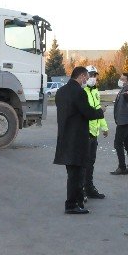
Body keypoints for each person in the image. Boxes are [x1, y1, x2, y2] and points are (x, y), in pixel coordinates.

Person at [54, 66, 105, 213]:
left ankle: (77, 202)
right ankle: (72, 204)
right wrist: (101, 111)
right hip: (77, 139)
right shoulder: (79, 92)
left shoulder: (61, 92)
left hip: (65, 136)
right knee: (77, 174)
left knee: (72, 174)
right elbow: (88, 113)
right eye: (86, 78)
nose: (87, 81)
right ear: (82, 76)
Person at [83, 65, 108, 199]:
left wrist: (104, 127)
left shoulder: (95, 91)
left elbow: (98, 109)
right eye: (90, 75)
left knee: (91, 162)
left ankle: (89, 188)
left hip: (94, 133)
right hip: (85, 132)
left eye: (94, 75)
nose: (93, 78)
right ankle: (82, 190)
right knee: (84, 163)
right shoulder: (83, 91)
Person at [111, 72, 128, 175]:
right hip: (126, 120)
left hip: (125, 121)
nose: (120, 81)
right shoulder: (124, 89)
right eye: (120, 79)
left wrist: (126, 96)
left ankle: (122, 167)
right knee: (127, 143)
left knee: (118, 143)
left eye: (123, 79)